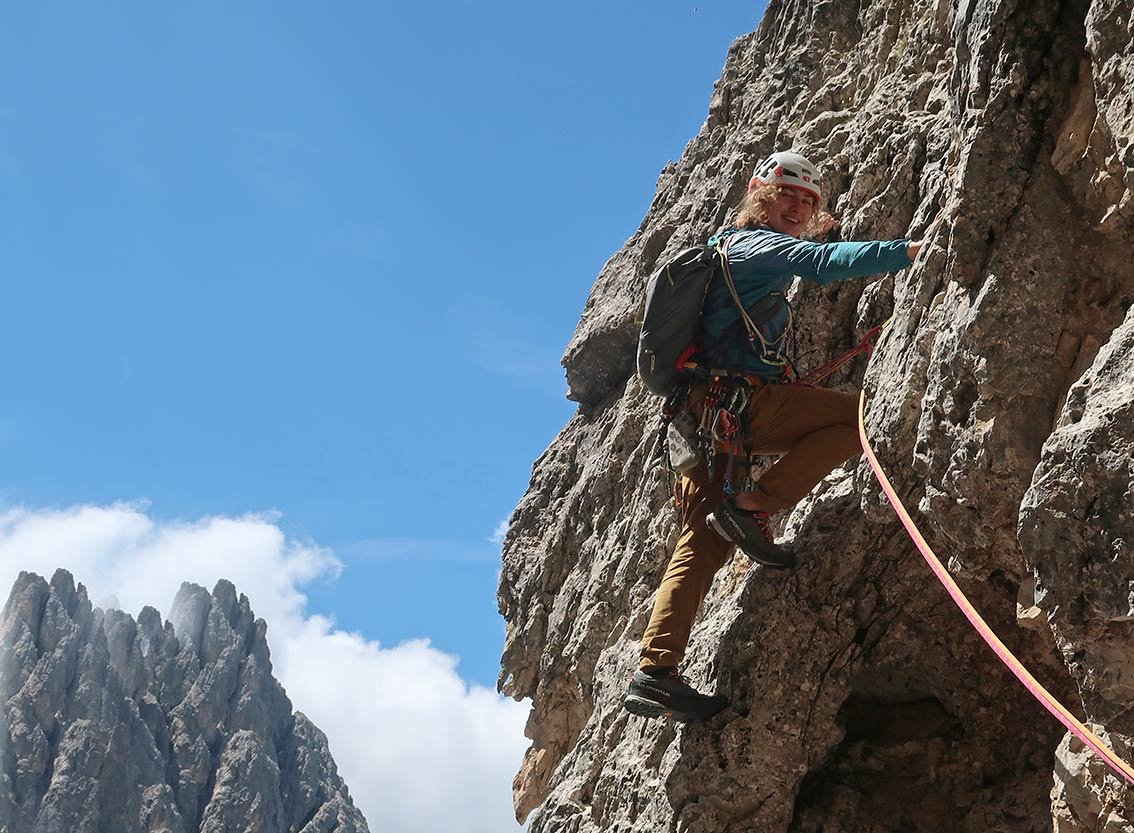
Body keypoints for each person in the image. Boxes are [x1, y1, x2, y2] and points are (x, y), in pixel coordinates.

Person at [623, 151, 923, 722]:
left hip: (700, 420)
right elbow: (824, 262)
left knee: (702, 541)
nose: (798, 207)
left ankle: (655, 672)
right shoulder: (754, 245)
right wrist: (908, 252)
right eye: (788, 193)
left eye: (809, 200)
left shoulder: (730, 254)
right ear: (760, 195)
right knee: (857, 420)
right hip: (732, 410)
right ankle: (755, 504)